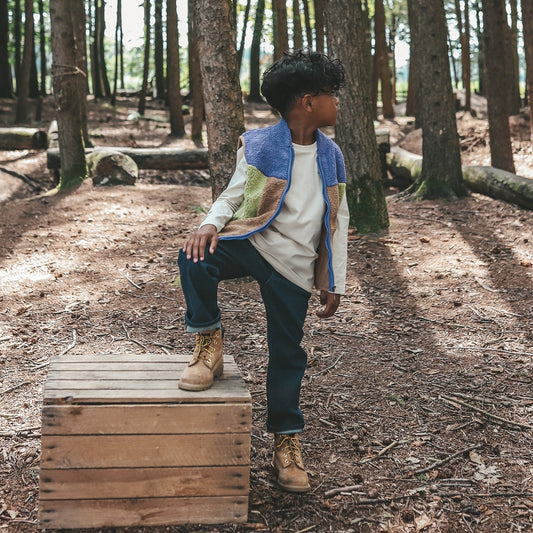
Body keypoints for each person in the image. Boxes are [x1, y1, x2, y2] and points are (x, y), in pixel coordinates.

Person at [177, 50, 349, 493]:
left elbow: (339, 219)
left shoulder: (332, 155)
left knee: (287, 354)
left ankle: (286, 442)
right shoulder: (258, 144)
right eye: (330, 94)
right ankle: (208, 342)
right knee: (195, 256)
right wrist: (209, 224)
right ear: (308, 102)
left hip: (295, 267)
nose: (337, 102)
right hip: (254, 242)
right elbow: (234, 195)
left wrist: (334, 279)